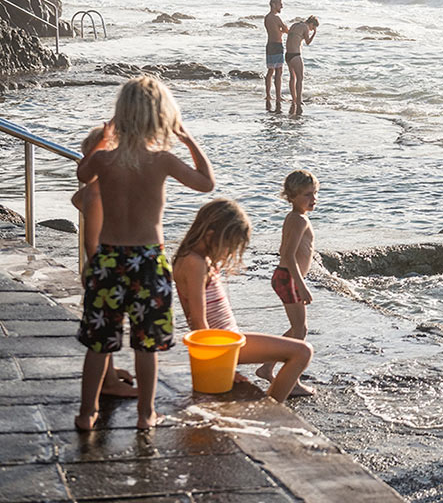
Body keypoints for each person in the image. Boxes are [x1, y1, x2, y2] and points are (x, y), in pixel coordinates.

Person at [74, 75, 215, 431]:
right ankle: (145, 415)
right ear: (160, 117)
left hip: (107, 258)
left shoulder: (104, 160)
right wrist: (188, 139)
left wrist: (101, 142)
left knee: (99, 342)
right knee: (146, 344)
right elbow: (206, 183)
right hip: (148, 260)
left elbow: (81, 172)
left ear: (121, 114)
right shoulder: (163, 160)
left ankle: (87, 414)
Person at [173, 198, 313, 403]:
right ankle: (271, 407)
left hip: (229, 341)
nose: (229, 252)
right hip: (223, 345)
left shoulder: (196, 258)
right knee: (302, 352)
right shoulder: (194, 263)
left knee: (301, 351)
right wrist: (220, 367)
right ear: (212, 234)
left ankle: (271, 402)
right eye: (228, 245)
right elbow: (198, 322)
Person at [71, 126, 136, 399]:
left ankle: (109, 372)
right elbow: (93, 243)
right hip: (104, 269)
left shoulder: (89, 191)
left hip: (96, 267)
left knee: (103, 327)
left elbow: (76, 199)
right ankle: (108, 381)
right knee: (105, 327)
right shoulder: (99, 192)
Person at [256, 170, 318, 395]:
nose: (313, 199)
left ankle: (267, 367)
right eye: (306, 195)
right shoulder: (298, 220)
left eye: (314, 193)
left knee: (297, 328)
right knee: (300, 330)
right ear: (291, 197)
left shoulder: (297, 217)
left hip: (287, 277)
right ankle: (291, 382)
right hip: (289, 278)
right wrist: (301, 284)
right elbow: (288, 254)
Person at [285, 15, 319, 111]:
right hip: (295, 55)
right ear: (311, 24)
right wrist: (314, 34)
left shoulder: (295, 25)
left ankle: (294, 99)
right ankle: (299, 100)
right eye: (313, 28)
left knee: (292, 77)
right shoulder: (305, 27)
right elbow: (307, 42)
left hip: (287, 55)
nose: (312, 29)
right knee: (300, 78)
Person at [264, 0, 288, 108]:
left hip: (270, 45)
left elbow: (276, 31)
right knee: (278, 72)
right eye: (280, 4)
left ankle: (268, 95)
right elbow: (286, 30)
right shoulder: (275, 18)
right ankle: (278, 96)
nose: (281, 6)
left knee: (270, 72)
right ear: (273, 5)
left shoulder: (267, 17)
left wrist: (281, 31)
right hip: (277, 46)